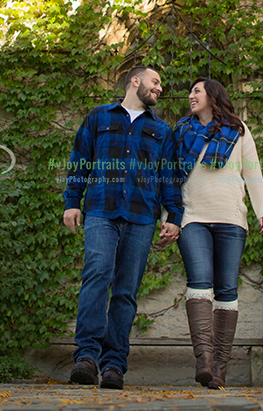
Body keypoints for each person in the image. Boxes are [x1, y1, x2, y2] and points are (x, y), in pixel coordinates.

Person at [62, 65, 182, 390]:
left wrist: (174, 216)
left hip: (142, 216)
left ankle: (114, 365)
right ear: (135, 80)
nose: (159, 88)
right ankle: (86, 358)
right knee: (97, 274)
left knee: (126, 290)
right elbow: (79, 160)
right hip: (101, 209)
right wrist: (72, 201)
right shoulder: (98, 117)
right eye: (155, 82)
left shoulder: (162, 130)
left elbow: (168, 176)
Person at [174, 77, 263, 389]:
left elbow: (252, 170)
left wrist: (262, 209)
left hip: (230, 219)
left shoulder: (239, 130)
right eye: (190, 91)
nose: (191, 96)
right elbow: (171, 177)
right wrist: (168, 217)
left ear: (212, 96)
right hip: (192, 218)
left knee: (226, 289)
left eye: (196, 91)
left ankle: (219, 368)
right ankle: (203, 359)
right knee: (199, 283)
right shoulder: (182, 130)